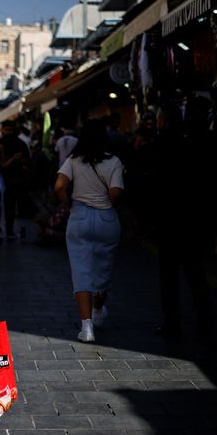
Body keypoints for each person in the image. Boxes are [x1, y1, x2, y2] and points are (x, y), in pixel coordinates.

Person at [54, 119, 124, 343]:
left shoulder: (73, 160)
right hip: (106, 218)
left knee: (81, 272)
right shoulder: (114, 161)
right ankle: (97, 311)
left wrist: (69, 204)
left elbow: (58, 187)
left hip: (80, 217)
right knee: (103, 271)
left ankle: (87, 328)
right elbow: (115, 193)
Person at [149, 102, 214, 339]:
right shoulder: (194, 143)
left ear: (163, 121)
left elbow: (156, 184)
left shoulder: (161, 144)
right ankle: (206, 323)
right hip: (192, 220)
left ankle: (173, 322)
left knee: (169, 276)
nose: (156, 123)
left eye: (157, 119)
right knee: (195, 273)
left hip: (169, 220)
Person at [0, 120, 29, 239]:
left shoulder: (20, 143)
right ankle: (9, 230)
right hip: (4, 179)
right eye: (6, 130)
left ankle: (15, 230)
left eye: (9, 130)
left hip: (18, 179)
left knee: (17, 206)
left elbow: (27, 159)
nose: (7, 132)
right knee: (8, 206)